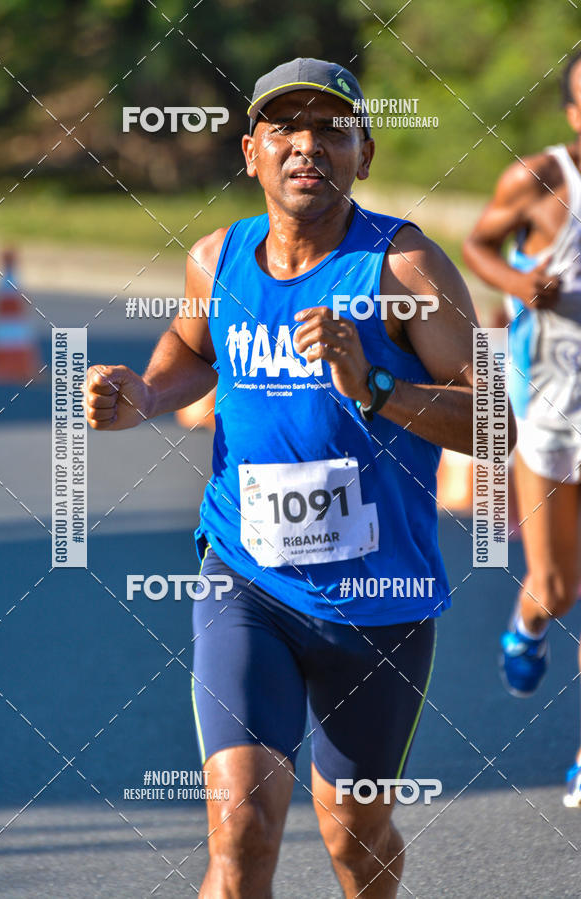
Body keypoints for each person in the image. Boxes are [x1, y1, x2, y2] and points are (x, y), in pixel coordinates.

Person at [84, 57, 515, 897]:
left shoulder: (404, 268)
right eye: (285, 127)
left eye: (331, 129)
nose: (307, 145)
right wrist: (147, 394)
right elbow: (191, 348)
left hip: (380, 597)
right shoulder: (218, 257)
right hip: (248, 579)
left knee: (355, 835)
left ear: (366, 153)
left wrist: (376, 386)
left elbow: (496, 426)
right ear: (251, 152)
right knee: (241, 829)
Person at [463, 49, 581, 809]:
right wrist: (519, 283)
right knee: (559, 587)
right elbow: (476, 245)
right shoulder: (540, 179)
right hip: (552, 416)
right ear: (573, 112)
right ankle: (528, 622)